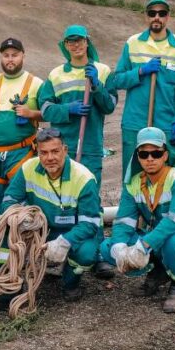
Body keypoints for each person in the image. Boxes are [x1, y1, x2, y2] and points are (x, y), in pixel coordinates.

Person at [38, 25, 118, 278]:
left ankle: (94, 254)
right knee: (61, 198)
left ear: (87, 42)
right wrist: (68, 110)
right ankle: (61, 250)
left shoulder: (103, 70)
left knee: (90, 200)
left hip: (91, 145)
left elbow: (110, 106)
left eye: (79, 40)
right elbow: (46, 108)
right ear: (65, 45)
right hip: (61, 148)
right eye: (70, 42)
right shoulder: (56, 74)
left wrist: (96, 86)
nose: (75, 45)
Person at [99, 127, 175, 313]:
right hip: (154, 238)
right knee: (108, 247)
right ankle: (158, 271)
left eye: (156, 153)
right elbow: (124, 221)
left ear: (165, 155)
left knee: (174, 242)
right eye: (144, 154)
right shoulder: (134, 184)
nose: (150, 159)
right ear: (138, 156)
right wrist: (119, 246)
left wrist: (144, 245)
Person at [0, 128, 102, 301]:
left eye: (55, 151)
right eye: (44, 152)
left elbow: (90, 224)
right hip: (39, 229)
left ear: (65, 150)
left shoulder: (84, 178)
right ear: (38, 153)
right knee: (4, 239)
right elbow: (9, 199)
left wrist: (64, 242)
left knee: (87, 253)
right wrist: (23, 218)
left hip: (72, 232)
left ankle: (70, 283)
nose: (50, 158)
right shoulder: (28, 168)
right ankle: (6, 288)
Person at [112, 0, 175, 175]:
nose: (156, 17)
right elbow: (116, 80)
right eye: (152, 13)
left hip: (167, 124)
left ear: (167, 17)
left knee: (171, 175)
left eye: (161, 13)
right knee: (133, 176)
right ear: (146, 16)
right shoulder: (133, 43)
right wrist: (141, 71)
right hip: (135, 123)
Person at [0, 38, 44, 218]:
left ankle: (23, 242)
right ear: (1, 58)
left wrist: (30, 113)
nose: (10, 59)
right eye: (6, 56)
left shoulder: (36, 83)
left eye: (15, 55)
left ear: (23, 56)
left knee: (21, 203)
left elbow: (48, 112)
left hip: (21, 153)